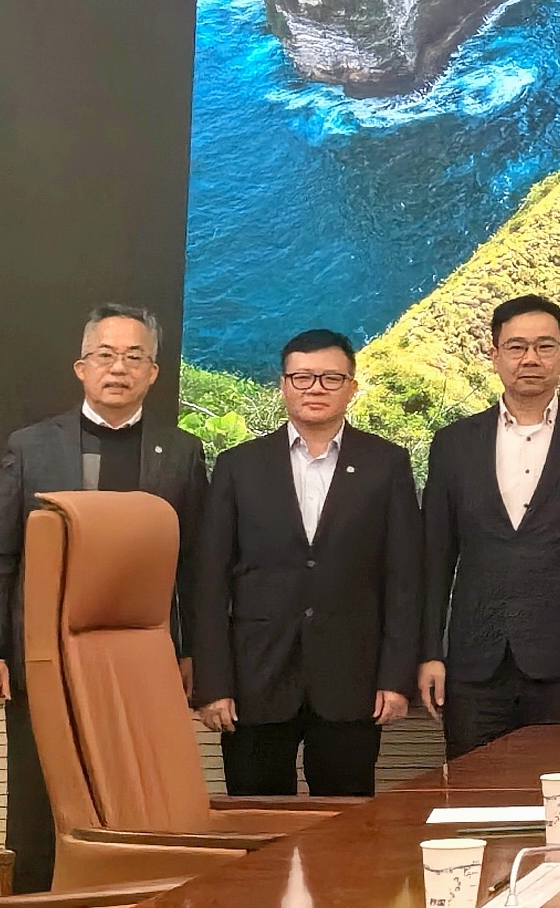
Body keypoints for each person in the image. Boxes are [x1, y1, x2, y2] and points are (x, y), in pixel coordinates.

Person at [0, 303, 208, 891]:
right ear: (81, 366)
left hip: (137, 660)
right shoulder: (30, 446)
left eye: (134, 356)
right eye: (105, 354)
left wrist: (192, 651)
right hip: (41, 654)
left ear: (154, 372)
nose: (117, 368)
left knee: (130, 794)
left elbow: (196, 565)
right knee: (37, 797)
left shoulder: (181, 452)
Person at [191, 329, 421, 796]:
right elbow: (209, 582)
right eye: (302, 377)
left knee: (344, 832)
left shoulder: (386, 464)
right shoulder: (239, 466)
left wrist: (395, 679)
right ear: (283, 385)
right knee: (256, 830)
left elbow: (404, 581)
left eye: (331, 378)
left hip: (351, 682)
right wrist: (213, 683)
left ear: (351, 387)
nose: (315, 388)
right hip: (255, 681)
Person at [417, 295, 560, 758]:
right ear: (495, 355)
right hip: (475, 665)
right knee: (474, 806)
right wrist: (429, 652)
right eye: (516, 347)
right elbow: (435, 557)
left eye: (544, 346)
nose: (530, 359)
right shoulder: (454, 444)